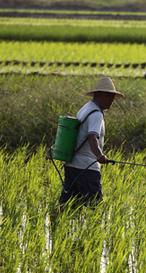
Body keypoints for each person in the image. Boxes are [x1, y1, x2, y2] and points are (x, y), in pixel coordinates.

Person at [59, 76, 123, 208]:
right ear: (100, 95)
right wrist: (100, 156)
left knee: (67, 207)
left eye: (112, 97)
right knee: (95, 208)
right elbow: (92, 137)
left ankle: (59, 227)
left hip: (72, 165)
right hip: (87, 168)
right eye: (109, 96)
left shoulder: (86, 108)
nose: (112, 101)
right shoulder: (96, 114)